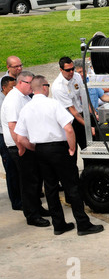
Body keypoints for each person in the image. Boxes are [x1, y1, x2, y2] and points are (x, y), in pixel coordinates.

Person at [14, 75, 104, 236]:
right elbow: (69, 129)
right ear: (44, 87)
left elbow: (20, 138)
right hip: (58, 148)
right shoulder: (53, 104)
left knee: (50, 188)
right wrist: (71, 149)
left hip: (40, 150)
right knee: (72, 186)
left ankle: (59, 224)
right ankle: (82, 224)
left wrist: (34, 148)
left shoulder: (26, 108)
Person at [0, 71, 50, 227]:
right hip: (19, 146)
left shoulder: (25, 97)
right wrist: (21, 147)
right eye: (29, 83)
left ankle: (37, 207)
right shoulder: (14, 100)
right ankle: (31, 215)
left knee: (35, 179)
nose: (32, 87)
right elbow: (12, 126)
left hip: (28, 144)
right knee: (27, 182)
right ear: (20, 83)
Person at [51, 56, 94, 152]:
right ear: (61, 70)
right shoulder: (58, 87)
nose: (71, 72)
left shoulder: (77, 76)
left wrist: (93, 113)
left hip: (80, 115)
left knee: (87, 147)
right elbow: (73, 112)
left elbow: (84, 98)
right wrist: (88, 127)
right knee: (72, 149)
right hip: (69, 120)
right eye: (68, 70)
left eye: (73, 69)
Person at [0, 76, 22, 210]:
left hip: (11, 134)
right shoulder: (3, 101)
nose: (14, 90)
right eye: (11, 87)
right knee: (11, 168)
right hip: (3, 136)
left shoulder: (14, 98)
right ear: (4, 88)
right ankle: (16, 201)